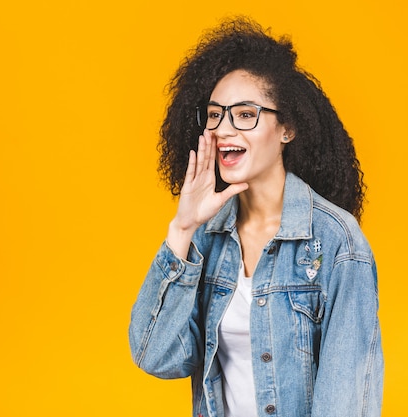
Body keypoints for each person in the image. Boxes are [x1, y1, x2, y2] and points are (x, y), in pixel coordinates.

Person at [128, 17, 383, 417]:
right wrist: (182, 229)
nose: (224, 129)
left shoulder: (338, 243)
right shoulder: (205, 237)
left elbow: (346, 400)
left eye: (245, 114)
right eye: (214, 115)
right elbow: (156, 356)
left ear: (288, 128)